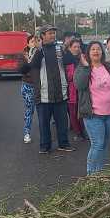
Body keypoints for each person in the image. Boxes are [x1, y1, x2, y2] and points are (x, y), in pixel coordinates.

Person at [25, 25, 75, 154]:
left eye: (54, 33)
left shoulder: (59, 49)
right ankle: (45, 146)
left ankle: (63, 143)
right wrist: (38, 49)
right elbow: (31, 65)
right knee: (44, 124)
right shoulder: (36, 50)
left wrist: (68, 48)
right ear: (42, 35)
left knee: (62, 123)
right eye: (50, 33)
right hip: (43, 94)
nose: (53, 35)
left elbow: (70, 60)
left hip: (60, 93)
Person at [75, 42, 110, 174]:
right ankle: (91, 175)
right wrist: (84, 67)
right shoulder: (84, 68)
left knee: (104, 145)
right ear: (88, 53)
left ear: (102, 52)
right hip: (93, 114)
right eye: (93, 49)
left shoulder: (108, 67)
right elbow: (79, 85)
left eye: (98, 49)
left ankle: (99, 174)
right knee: (97, 144)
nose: (96, 51)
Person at [18, 36, 40, 144]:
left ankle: (45, 134)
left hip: (41, 86)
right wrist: (29, 59)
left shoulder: (42, 53)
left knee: (43, 110)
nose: (34, 43)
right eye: (32, 41)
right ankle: (27, 132)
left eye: (36, 41)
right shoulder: (23, 55)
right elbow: (21, 70)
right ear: (28, 44)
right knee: (29, 110)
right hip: (28, 86)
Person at [63, 39, 86, 141]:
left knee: (82, 112)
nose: (77, 49)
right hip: (71, 90)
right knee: (73, 112)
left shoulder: (82, 58)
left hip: (82, 90)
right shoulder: (66, 59)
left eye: (78, 47)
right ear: (69, 48)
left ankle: (82, 131)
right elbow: (68, 76)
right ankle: (78, 132)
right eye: (75, 47)